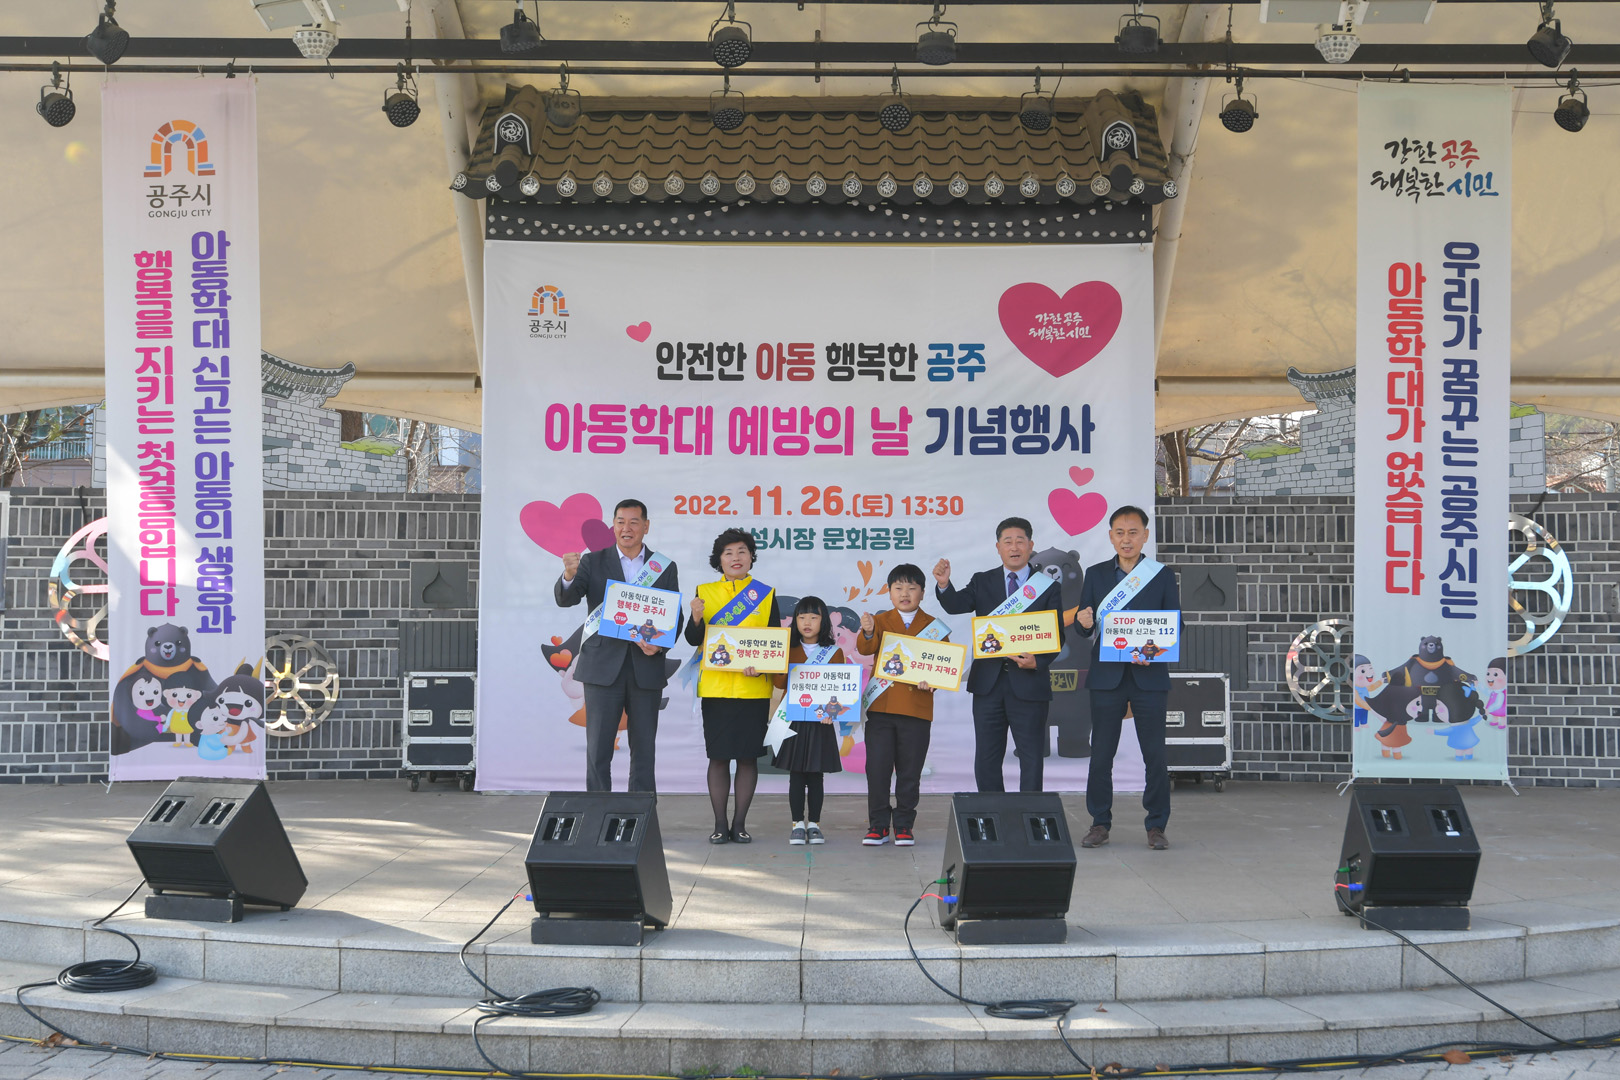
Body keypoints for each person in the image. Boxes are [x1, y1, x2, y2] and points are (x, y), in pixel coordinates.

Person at [1073, 505, 1181, 851]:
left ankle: (1156, 826)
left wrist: (1155, 650)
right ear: (1110, 537)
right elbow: (1084, 624)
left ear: (1145, 535)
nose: (1126, 539)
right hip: (1107, 677)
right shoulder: (1096, 574)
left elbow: (1176, 624)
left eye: (1133, 532)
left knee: (1155, 755)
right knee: (1101, 754)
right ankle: (1099, 823)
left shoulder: (1161, 575)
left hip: (1150, 677)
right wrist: (1083, 623)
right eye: (1119, 533)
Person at [555, 499, 679, 793]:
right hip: (601, 668)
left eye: (634, 522)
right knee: (598, 749)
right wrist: (569, 576)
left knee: (644, 750)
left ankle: (641, 812)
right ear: (613, 526)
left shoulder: (664, 566)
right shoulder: (593, 561)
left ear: (646, 526)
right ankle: (599, 811)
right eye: (621, 522)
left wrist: (659, 646)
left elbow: (674, 614)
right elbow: (566, 599)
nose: (627, 528)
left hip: (645, 668)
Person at [934, 517, 1062, 792]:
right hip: (988, 685)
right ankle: (991, 812)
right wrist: (944, 585)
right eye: (1008, 542)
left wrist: (1038, 661)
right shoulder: (983, 581)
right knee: (987, 755)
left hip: (1029, 683)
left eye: (1020, 541)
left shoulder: (1047, 586)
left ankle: (1031, 813)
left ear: (1030, 545)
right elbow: (956, 605)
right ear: (998, 547)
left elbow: (1057, 635)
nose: (1014, 547)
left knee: (1031, 755)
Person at [685, 528, 782, 844]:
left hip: (753, 691)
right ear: (719, 560)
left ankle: (739, 824)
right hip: (716, 689)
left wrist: (762, 665)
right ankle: (719, 824)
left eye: (742, 551)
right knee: (718, 758)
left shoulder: (765, 594)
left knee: (748, 758)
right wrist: (696, 618)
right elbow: (693, 639)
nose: (736, 558)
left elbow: (775, 644)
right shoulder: (704, 592)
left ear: (751, 556)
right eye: (728, 553)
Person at [856, 564, 939, 846]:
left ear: (922, 593)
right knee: (877, 770)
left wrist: (933, 681)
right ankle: (878, 825)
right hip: (881, 708)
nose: (905, 593)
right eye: (899, 588)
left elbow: (944, 666)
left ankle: (904, 824)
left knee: (910, 772)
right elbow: (865, 649)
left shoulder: (934, 626)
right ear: (889, 592)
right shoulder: (879, 621)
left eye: (912, 588)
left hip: (917, 709)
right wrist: (868, 632)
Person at [771, 596, 845, 846]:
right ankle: (797, 824)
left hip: (821, 721)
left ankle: (814, 824)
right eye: (802, 617)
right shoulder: (788, 648)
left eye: (814, 617)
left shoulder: (834, 652)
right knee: (796, 775)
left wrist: (832, 714)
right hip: (793, 720)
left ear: (823, 621)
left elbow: (839, 688)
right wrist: (780, 660)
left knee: (815, 776)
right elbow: (779, 683)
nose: (807, 622)